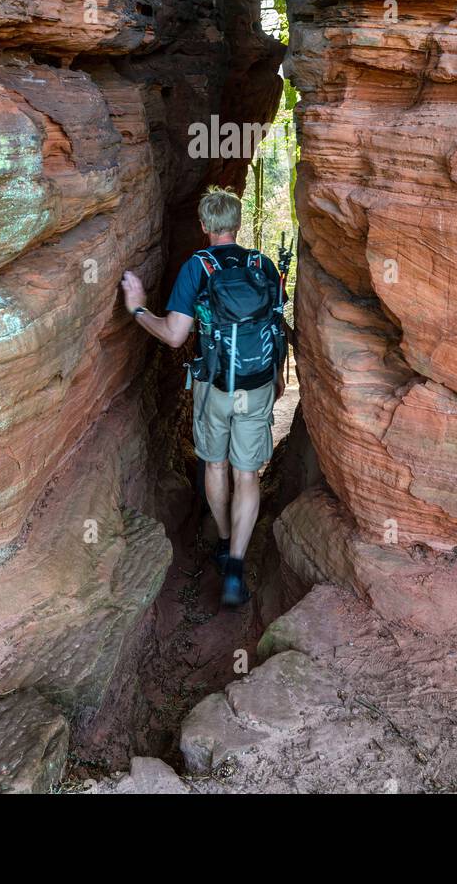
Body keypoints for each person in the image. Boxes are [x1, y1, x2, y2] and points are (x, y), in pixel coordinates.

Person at [121, 187, 286, 607]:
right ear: (237, 222)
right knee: (246, 474)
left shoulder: (199, 267)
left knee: (215, 463)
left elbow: (175, 336)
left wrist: (139, 309)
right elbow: (276, 324)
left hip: (215, 386)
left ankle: (223, 537)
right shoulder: (261, 264)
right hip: (258, 385)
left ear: (204, 226)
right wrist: (277, 378)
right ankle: (235, 565)